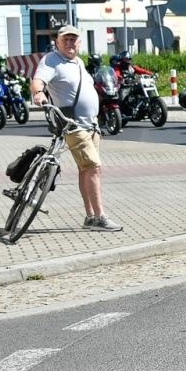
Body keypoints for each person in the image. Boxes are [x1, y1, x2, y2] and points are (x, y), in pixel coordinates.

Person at [27, 24, 122, 231]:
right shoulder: (52, 60)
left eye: (73, 39)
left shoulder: (78, 62)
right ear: (57, 42)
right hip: (72, 124)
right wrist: (38, 93)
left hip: (91, 125)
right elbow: (37, 81)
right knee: (94, 168)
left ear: (79, 43)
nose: (70, 43)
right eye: (66, 39)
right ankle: (100, 217)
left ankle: (89, 216)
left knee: (85, 170)